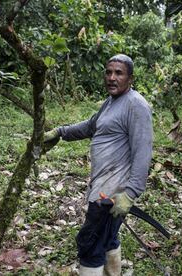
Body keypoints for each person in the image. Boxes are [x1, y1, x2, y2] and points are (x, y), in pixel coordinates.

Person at [43, 54, 153, 276]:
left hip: (112, 192)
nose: (112, 77)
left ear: (130, 78)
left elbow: (143, 151)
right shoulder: (111, 102)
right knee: (108, 237)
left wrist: (130, 193)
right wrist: (60, 132)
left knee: (90, 244)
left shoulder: (135, 105)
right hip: (103, 184)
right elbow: (91, 126)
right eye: (108, 72)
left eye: (119, 73)